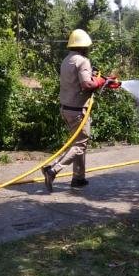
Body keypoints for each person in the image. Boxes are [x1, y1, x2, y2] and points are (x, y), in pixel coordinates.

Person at [41, 29, 108, 192]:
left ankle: (78, 178)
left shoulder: (67, 60)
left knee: (77, 143)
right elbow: (86, 84)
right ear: (84, 46)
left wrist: (94, 77)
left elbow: (77, 80)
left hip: (66, 109)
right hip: (78, 111)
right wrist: (99, 81)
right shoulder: (83, 60)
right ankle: (53, 170)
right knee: (81, 145)